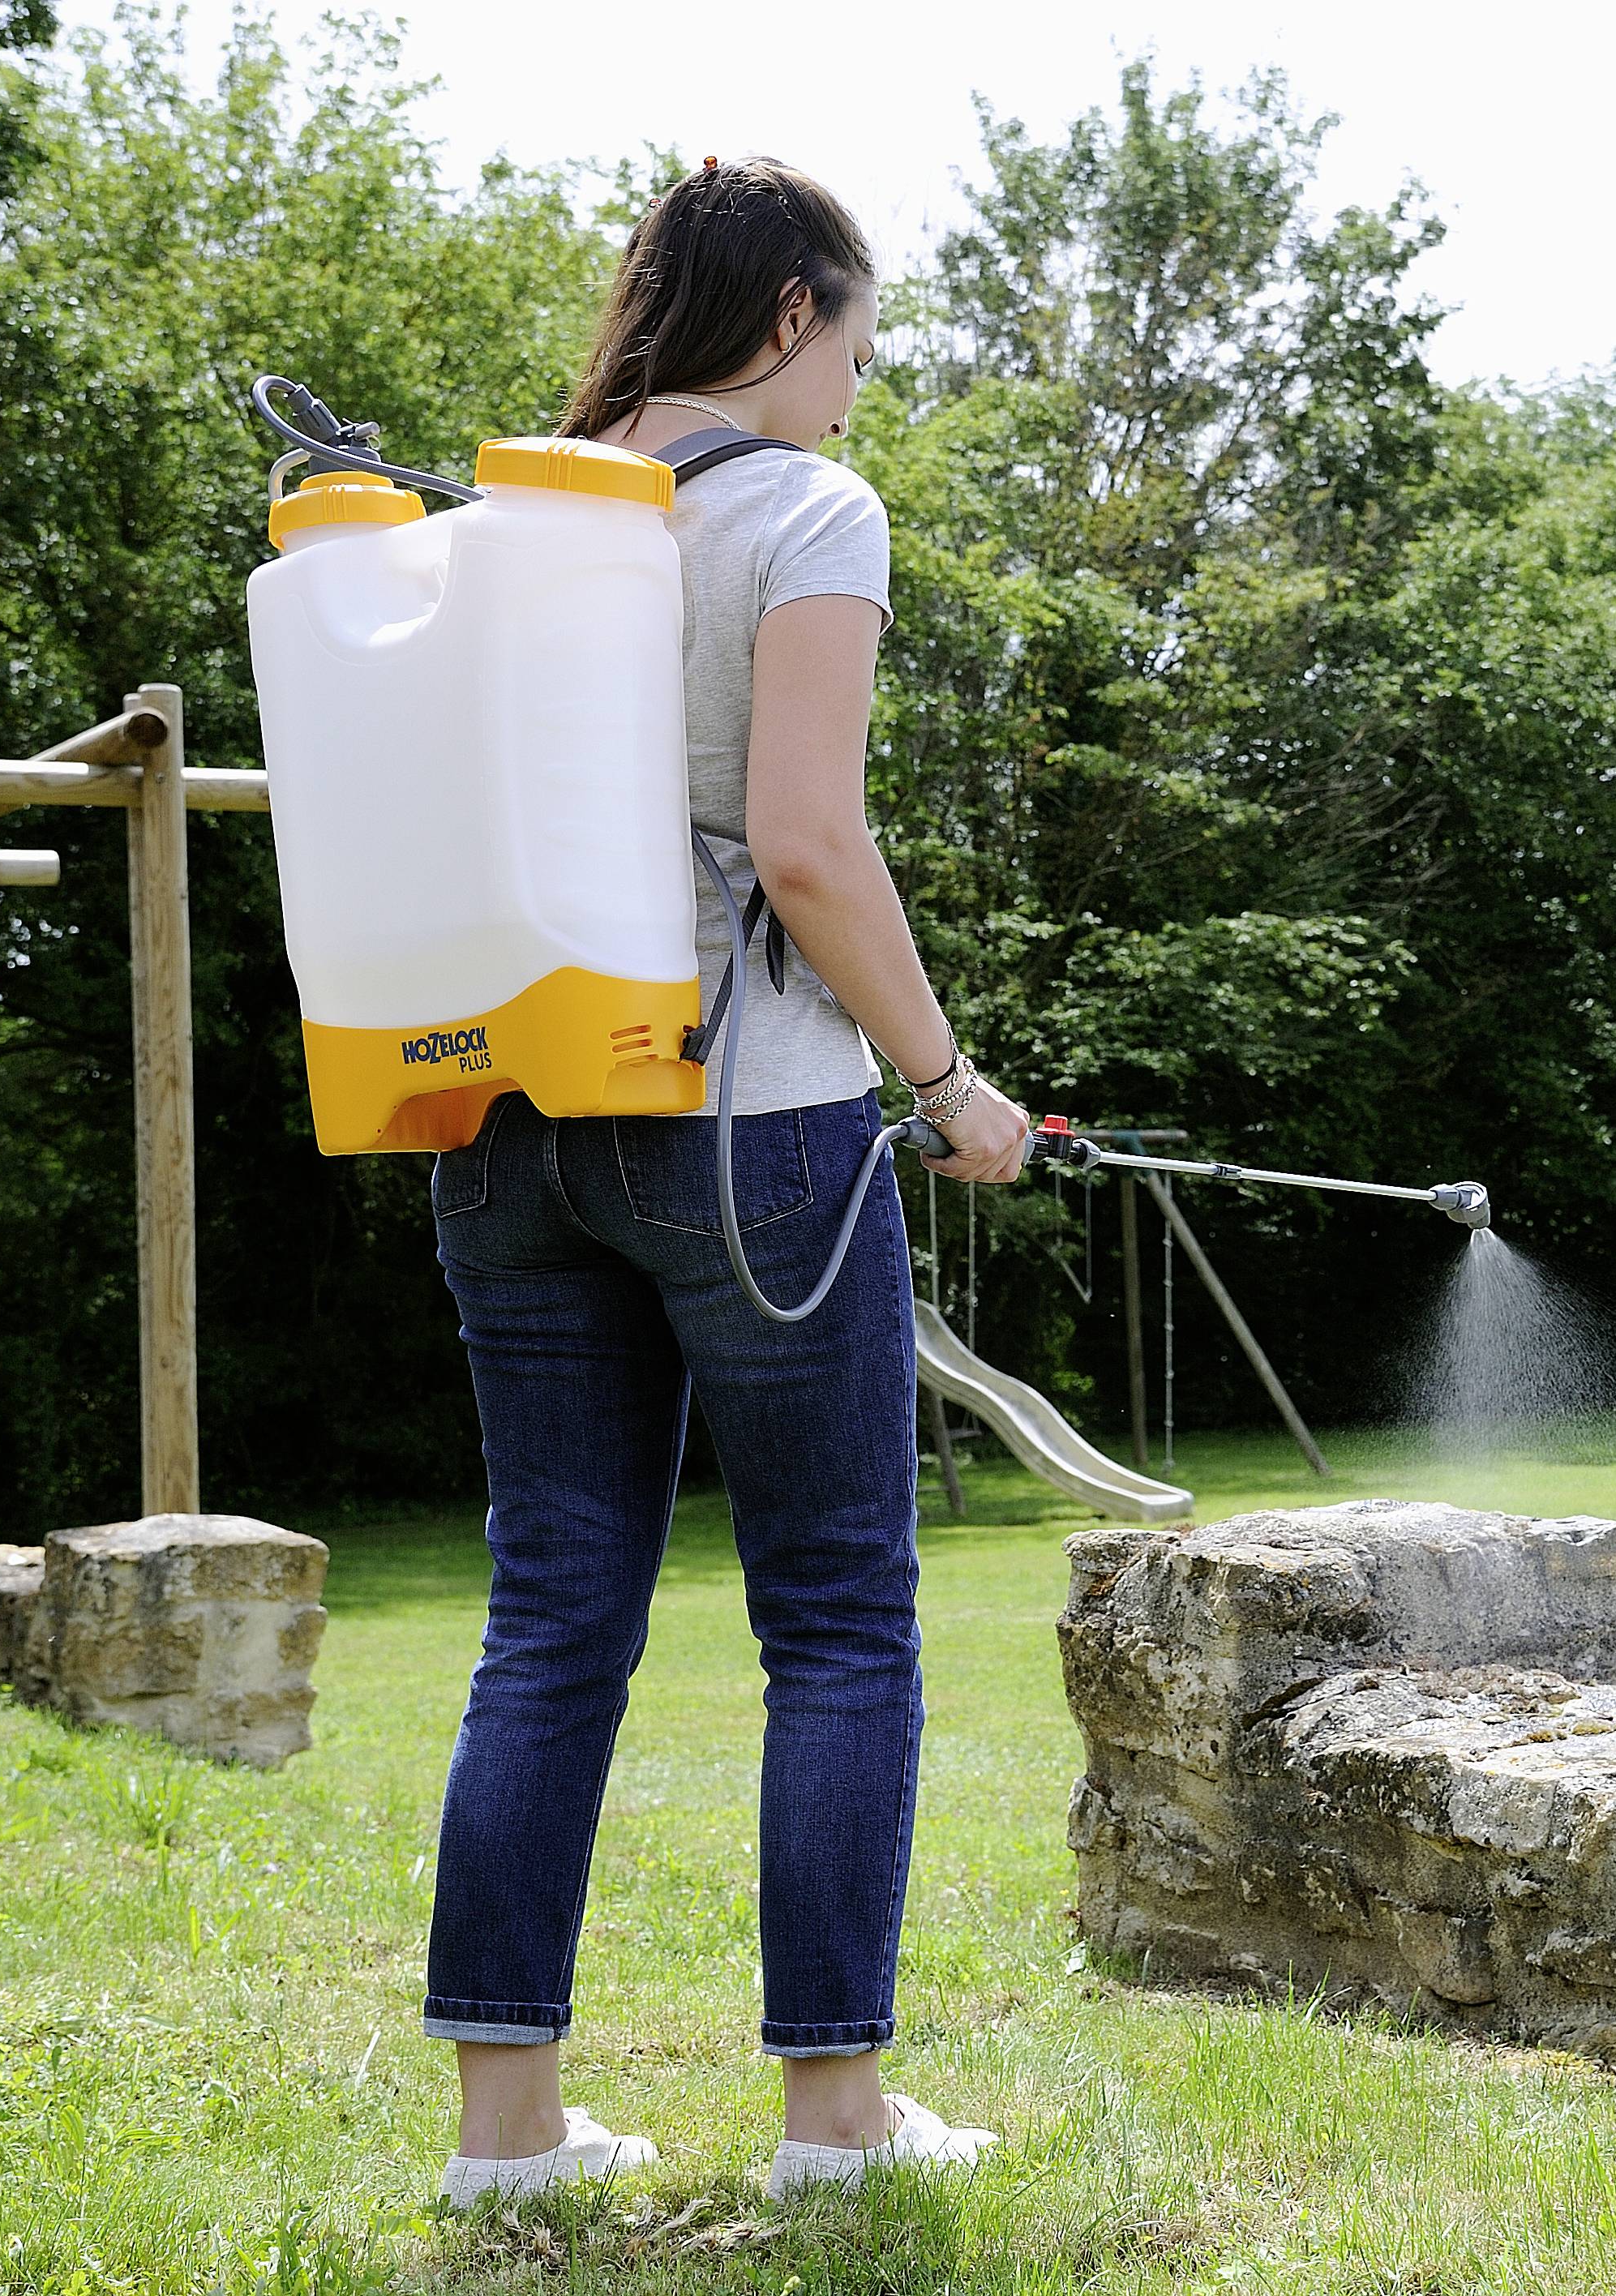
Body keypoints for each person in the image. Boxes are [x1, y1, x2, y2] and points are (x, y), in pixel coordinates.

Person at [418, 154, 1031, 2208]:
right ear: (787, 322)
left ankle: (511, 2140)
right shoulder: (802, 509)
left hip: (502, 1122)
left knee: (551, 1616)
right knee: (842, 1618)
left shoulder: (507, 519)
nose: (860, 386)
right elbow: (805, 845)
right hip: (749, 1127)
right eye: (857, 342)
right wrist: (949, 1086)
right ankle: (835, 2129)